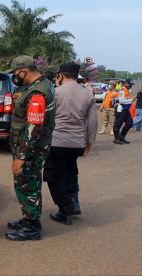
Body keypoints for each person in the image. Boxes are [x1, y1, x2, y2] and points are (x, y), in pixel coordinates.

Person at [5, 55, 55, 241]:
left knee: (28, 186)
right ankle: (28, 219)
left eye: (15, 73)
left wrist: (21, 157)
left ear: (23, 71)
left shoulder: (37, 93)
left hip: (30, 150)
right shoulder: (42, 85)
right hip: (33, 147)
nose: (14, 77)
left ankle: (32, 226)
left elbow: (34, 128)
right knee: (27, 184)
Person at [44, 62, 98, 225]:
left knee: (54, 176)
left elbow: (46, 118)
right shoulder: (87, 94)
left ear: (60, 75)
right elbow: (92, 121)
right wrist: (89, 142)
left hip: (57, 141)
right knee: (70, 171)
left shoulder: (54, 92)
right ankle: (74, 203)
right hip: (77, 143)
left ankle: (64, 211)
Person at [113, 79, 134, 144]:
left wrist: (129, 100)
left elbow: (125, 100)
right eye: (129, 84)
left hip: (126, 109)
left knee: (129, 123)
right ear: (126, 84)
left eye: (131, 85)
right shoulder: (122, 90)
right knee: (118, 124)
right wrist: (130, 100)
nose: (130, 86)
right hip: (120, 109)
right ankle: (116, 139)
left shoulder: (127, 90)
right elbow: (121, 101)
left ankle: (122, 137)